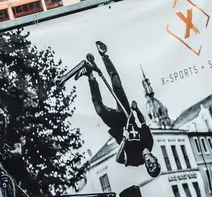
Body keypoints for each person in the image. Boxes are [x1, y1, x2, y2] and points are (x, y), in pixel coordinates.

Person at [62, 41, 161, 178]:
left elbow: (118, 159)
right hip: (127, 116)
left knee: (99, 109)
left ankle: (90, 75)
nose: (150, 165)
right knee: (117, 85)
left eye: (149, 168)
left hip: (117, 126)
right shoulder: (149, 141)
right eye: (153, 165)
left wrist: (124, 140)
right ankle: (104, 55)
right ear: (156, 160)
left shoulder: (136, 160)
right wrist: (136, 109)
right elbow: (143, 123)